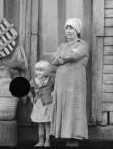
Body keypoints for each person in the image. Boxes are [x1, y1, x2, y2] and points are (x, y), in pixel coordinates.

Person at [50, 18, 89, 146]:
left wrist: (61, 57)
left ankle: (75, 138)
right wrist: (63, 57)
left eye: (71, 28)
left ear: (77, 30)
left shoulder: (83, 44)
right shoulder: (62, 45)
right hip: (61, 81)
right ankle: (65, 135)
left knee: (75, 105)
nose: (68, 31)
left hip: (75, 81)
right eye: (66, 28)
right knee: (63, 104)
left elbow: (74, 56)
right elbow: (53, 59)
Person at [28, 60, 54, 147]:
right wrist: (31, 97)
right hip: (38, 105)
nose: (38, 72)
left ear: (46, 71)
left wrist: (53, 94)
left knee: (47, 123)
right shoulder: (33, 82)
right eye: (37, 70)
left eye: (41, 70)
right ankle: (40, 141)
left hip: (47, 104)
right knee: (40, 123)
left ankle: (47, 140)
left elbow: (57, 89)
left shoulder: (51, 81)